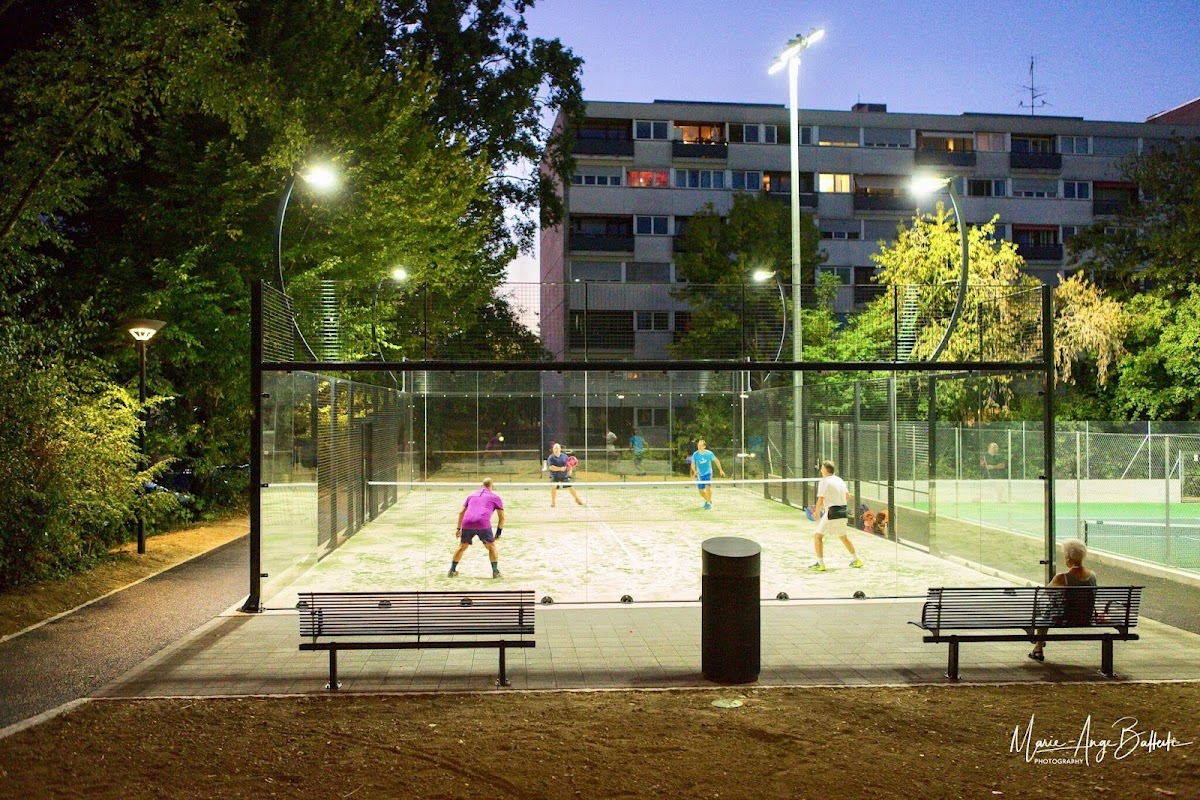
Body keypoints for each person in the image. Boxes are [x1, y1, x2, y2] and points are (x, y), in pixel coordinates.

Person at [1028, 537, 1097, 662]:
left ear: (1068, 559)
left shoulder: (1062, 578)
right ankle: (1038, 642)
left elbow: (1045, 594)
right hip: (1085, 617)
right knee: (1046, 609)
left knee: (1043, 607)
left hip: (1065, 618)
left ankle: (1038, 645)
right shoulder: (1092, 576)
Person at [808, 460, 863, 572]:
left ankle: (820, 564)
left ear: (826, 470)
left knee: (818, 537)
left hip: (832, 512)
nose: (820, 470)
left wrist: (817, 512)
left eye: (822, 468)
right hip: (843, 511)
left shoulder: (824, 482)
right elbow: (848, 496)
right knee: (843, 536)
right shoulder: (840, 480)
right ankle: (856, 560)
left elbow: (820, 500)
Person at [449, 478, 505, 579]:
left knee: (462, 546)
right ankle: (495, 572)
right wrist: (498, 533)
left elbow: (461, 512)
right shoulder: (495, 497)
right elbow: (502, 518)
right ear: (492, 487)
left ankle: (452, 571)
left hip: (467, 522)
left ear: (481, 486)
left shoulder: (471, 495)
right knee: (491, 546)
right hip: (482, 522)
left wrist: (458, 529)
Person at [543, 442, 583, 507]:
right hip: (554, 475)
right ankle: (553, 502)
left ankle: (577, 499)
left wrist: (569, 473)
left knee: (570, 487)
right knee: (553, 487)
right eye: (555, 448)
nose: (556, 449)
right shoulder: (551, 458)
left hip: (563, 475)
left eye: (557, 448)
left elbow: (569, 465)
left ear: (560, 449)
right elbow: (551, 467)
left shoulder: (564, 456)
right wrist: (560, 469)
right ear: (553, 449)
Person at [690, 438, 725, 510]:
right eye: (698, 445)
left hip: (708, 473)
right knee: (701, 491)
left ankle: (708, 503)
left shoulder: (709, 453)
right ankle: (708, 500)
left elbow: (716, 461)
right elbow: (692, 464)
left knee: (707, 487)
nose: (699, 447)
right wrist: (694, 471)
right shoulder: (695, 454)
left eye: (701, 445)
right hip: (700, 474)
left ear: (704, 446)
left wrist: (721, 470)